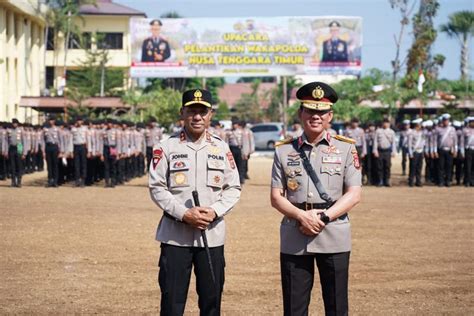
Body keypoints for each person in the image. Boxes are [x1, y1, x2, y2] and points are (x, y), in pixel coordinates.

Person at [270, 82, 362, 316]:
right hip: (295, 232)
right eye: (310, 110)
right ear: (301, 113)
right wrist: (302, 216)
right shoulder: (283, 150)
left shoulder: (346, 149)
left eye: (321, 112)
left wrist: (323, 217)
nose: (315, 116)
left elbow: (354, 193)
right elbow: (276, 196)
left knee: (336, 304)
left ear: (330, 115)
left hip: (333, 230)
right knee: (294, 306)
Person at [149, 89, 241, 315]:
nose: (197, 117)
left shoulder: (221, 147)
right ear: (182, 113)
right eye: (192, 111)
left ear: (211, 115)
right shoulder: (166, 147)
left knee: (212, 302)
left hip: (211, 235)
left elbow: (233, 188)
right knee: (172, 302)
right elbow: (157, 187)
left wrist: (214, 211)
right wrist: (184, 214)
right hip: (175, 236)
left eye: (203, 111)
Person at [433, 114, 457, 187]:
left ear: (449, 121)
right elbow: (435, 141)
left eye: (447, 120)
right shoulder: (438, 129)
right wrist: (435, 151)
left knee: (449, 166)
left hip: (450, 150)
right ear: (442, 121)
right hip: (441, 150)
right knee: (441, 167)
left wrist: (455, 150)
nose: (445, 122)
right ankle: (441, 181)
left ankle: (448, 181)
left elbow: (455, 140)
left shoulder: (452, 129)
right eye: (444, 120)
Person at [373, 118, 396, 187]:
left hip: (387, 151)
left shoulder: (392, 132)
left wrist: (394, 151)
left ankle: (387, 181)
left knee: (387, 166)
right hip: (380, 151)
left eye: (387, 123)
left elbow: (393, 143)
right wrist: (375, 151)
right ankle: (380, 181)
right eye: (384, 122)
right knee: (379, 166)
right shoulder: (378, 131)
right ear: (382, 123)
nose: (385, 124)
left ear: (389, 124)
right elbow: (375, 141)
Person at [6, 118, 26, 187]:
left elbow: (24, 141)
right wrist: (6, 151)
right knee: (12, 166)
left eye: (15, 123)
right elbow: (6, 142)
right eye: (13, 123)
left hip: (19, 147)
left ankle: (19, 181)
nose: (14, 124)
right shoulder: (9, 131)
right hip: (11, 148)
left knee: (19, 165)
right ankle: (13, 181)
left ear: (17, 124)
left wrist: (24, 153)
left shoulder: (21, 130)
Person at [43, 115, 61, 187]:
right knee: (49, 165)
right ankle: (50, 180)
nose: (51, 121)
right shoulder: (45, 129)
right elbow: (43, 140)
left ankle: (55, 181)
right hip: (48, 147)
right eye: (50, 120)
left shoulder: (57, 129)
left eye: (52, 120)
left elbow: (60, 140)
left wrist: (60, 150)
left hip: (55, 147)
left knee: (55, 164)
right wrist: (43, 150)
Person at [407, 118, 425, 187]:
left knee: (419, 167)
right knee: (412, 167)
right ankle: (411, 181)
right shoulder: (411, 133)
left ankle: (418, 181)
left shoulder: (422, 133)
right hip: (414, 152)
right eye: (420, 124)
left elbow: (423, 142)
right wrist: (410, 153)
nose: (420, 126)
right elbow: (409, 144)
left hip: (420, 151)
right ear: (417, 125)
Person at [462, 117, 474, 186]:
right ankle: (467, 181)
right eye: (472, 122)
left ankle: (472, 181)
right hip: (468, 150)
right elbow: (462, 142)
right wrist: (462, 151)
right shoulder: (465, 130)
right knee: (468, 166)